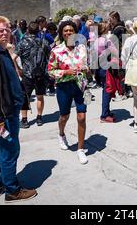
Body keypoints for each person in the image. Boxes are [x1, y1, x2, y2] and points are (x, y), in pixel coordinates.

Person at [0, 16, 38, 202]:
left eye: (7, 29)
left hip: (9, 109)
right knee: (9, 150)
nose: (5, 33)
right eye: (0, 30)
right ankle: (12, 190)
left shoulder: (3, 52)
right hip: (5, 113)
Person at [48, 20, 89, 164]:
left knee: (82, 117)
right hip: (64, 87)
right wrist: (65, 72)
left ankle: (80, 149)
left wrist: (87, 69)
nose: (68, 33)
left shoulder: (82, 48)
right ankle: (61, 134)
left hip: (80, 85)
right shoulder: (56, 50)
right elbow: (50, 71)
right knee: (64, 116)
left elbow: (86, 65)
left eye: (71, 30)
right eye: (65, 31)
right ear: (62, 33)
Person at [13, 22, 49, 129]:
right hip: (40, 74)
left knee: (25, 97)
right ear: (38, 31)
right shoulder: (43, 42)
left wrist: (18, 69)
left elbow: (13, 57)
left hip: (27, 74)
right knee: (40, 97)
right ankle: (39, 118)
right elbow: (50, 56)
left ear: (28, 30)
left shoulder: (22, 42)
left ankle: (24, 120)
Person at [95, 21, 119, 123]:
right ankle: (104, 115)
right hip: (106, 68)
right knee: (107, 91)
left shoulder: (96, 41)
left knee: (105, 90)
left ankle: (107, 112)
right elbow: (115, 52)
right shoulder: (106, 41)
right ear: (105, 30)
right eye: (108, 28)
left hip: (99, 67)